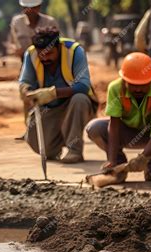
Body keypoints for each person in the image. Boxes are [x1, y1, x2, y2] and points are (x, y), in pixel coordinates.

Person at [86, 52, 151, 183]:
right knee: (94, 128)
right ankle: (118, 168)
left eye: (143, 84)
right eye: (132, 84)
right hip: (125, 133)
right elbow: (113, 126)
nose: (138, 89)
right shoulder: (115, 88)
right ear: (124, 81)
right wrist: (112, 160)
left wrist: (143, 157)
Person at [20, 27, 97, 163]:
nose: (45, 58)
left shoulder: (74, 51)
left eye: (49, 54)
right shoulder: (31, 54)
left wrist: (53, 93)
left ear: (58, 47)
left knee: (79, 99)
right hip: (48, 108)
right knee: (39, 144)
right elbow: (25, 82)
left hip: (74, 104)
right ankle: (58, 143)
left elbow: (83, 86)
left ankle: (74, 150)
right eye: (41, 54)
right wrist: (27, 92)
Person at [10, 0, 59, 139]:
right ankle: (29, 130)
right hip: (27, 64)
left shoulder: (50, 22)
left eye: (32, 8)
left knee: (48, 93)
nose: (29, 11)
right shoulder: (17, 22)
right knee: (26, 94)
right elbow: (15, 41)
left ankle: (52, 129)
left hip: (48, 65)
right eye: (26, 8)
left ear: (39, 7)